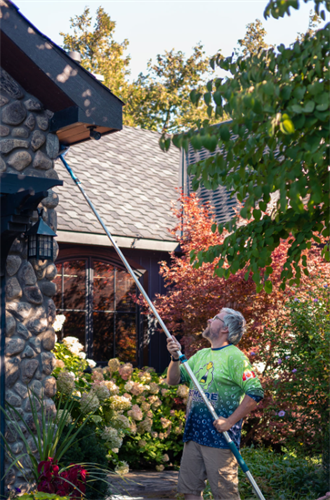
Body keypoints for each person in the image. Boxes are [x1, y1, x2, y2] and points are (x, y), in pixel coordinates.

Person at [166, 307, 264, 500]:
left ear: (225, 329)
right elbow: (174, 380)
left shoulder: (235, 357)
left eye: (215, 318)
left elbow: (255, 393)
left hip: (220, 439)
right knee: (190, 492)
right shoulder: (201, 355)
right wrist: (175, 358)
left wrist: (229, 422)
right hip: (193, 435)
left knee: (224, 495)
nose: (209, 319)